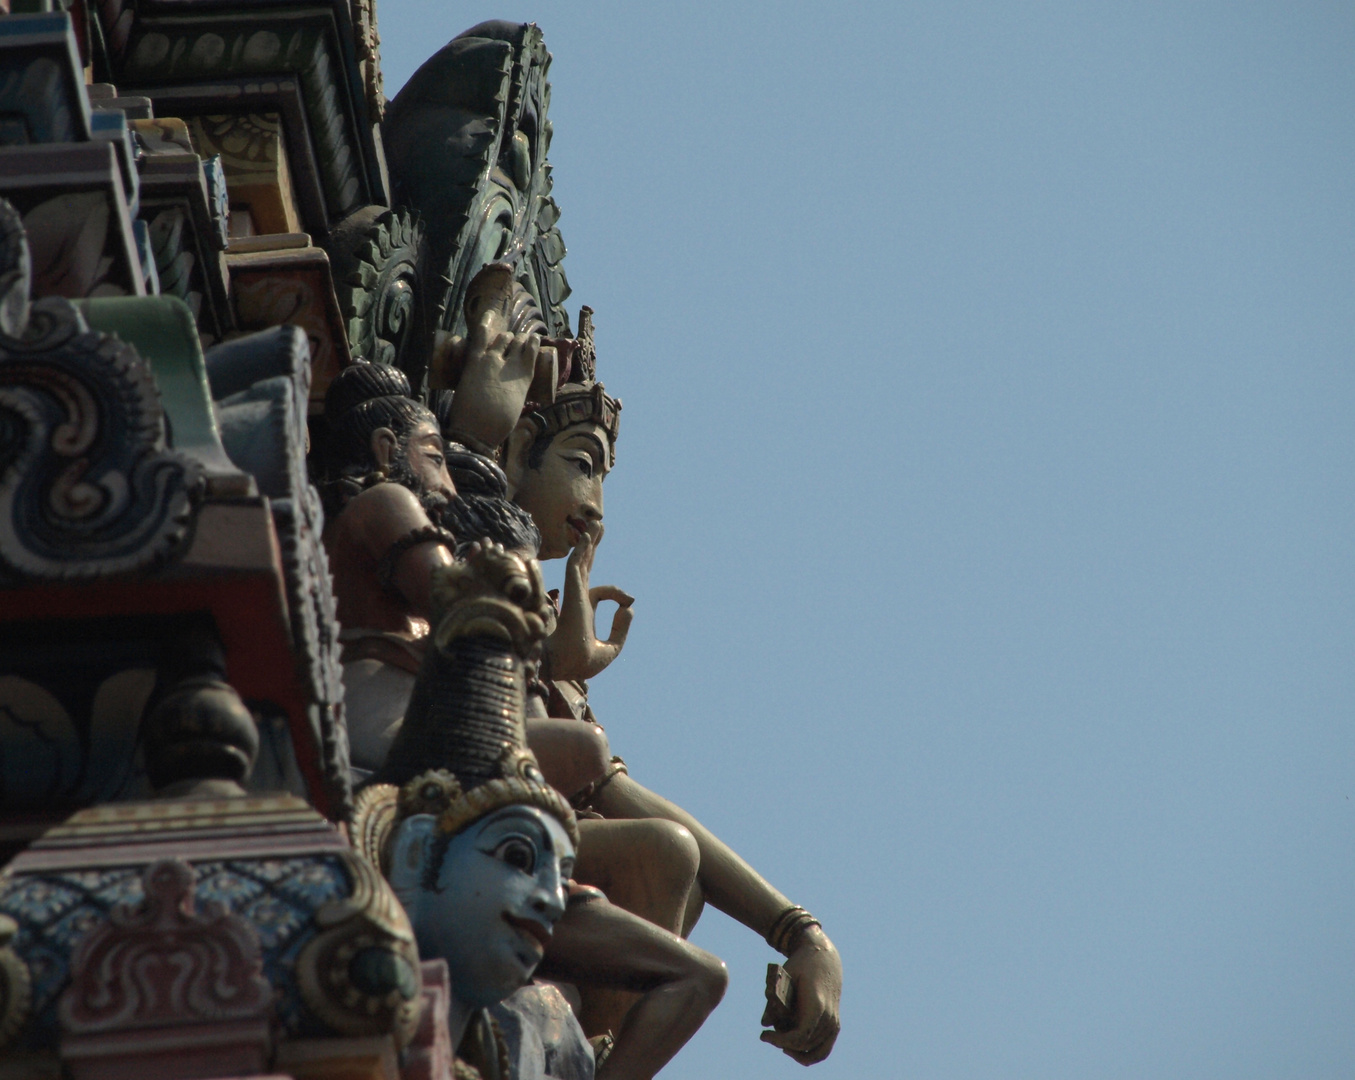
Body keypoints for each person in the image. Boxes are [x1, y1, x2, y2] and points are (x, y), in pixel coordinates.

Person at [502, 309, 843, 1065]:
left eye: (603, 476)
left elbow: (615, 791)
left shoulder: (547, 635)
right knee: (664, 859)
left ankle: (591, 1044)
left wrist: (797, 931)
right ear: (520, 447)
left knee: (672, 868)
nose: (594, 501)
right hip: (474, 850)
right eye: (581, 463)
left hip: (540, 870)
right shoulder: (479, 574)